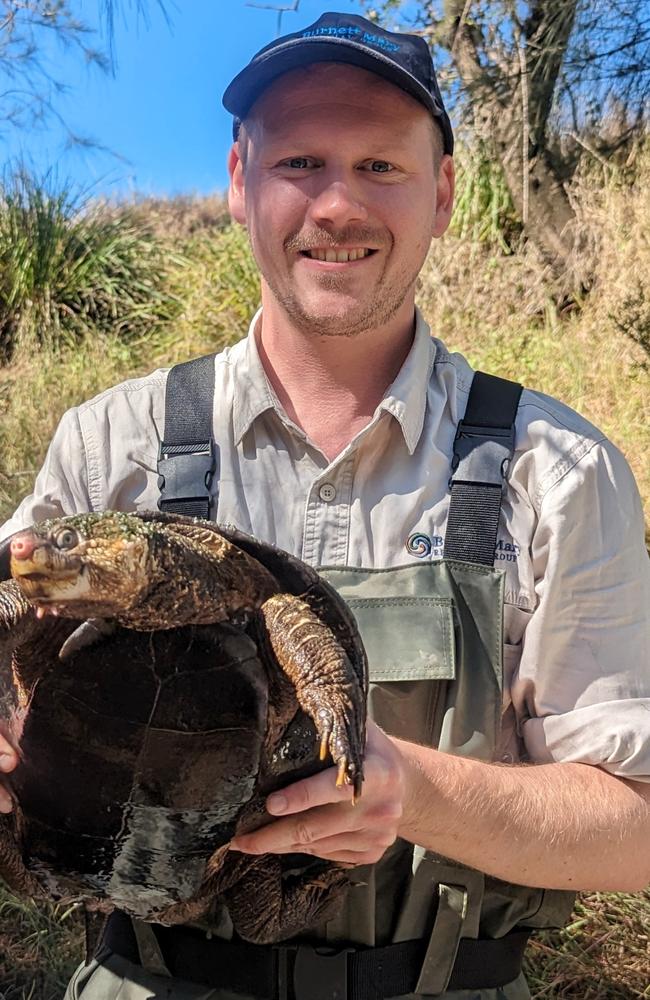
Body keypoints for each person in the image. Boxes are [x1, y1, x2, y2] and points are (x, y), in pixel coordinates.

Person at [0, 11, 648, 1000]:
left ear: (441, 194)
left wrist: (409, 792)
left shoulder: (552, 469)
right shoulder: (110, 447)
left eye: (379, 166)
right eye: (300, 160)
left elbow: (635, 831)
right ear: (237, 184)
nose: (336, 205)